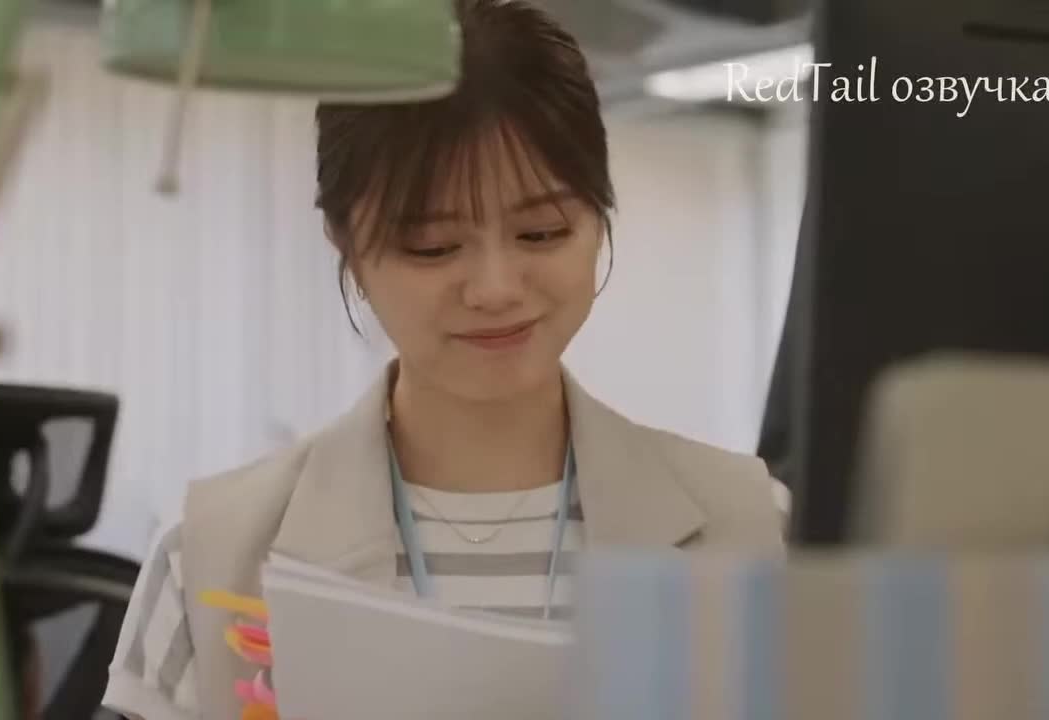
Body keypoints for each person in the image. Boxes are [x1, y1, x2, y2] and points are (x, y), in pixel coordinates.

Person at [103, 1, 785, 717]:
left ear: (600, 212)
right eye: (432, 247)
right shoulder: (207, 557)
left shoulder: (758, 530)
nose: (495, 289)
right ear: (346, 244)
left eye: (542, 233)